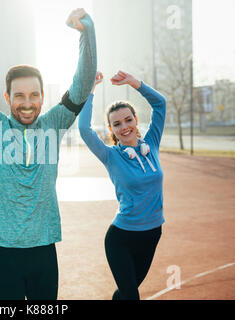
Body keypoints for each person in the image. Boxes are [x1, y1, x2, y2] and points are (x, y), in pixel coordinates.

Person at [0, 0, 97, 300]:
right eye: (19, 95)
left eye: (34, 95)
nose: (26, 102)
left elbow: (83, 84)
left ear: (42, 96)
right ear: (7, 96)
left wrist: (87, 32)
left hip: (43, 248)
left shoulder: (54, 124)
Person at [78, 70, 166, 300]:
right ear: (112, 130)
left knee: (125, 294)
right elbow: (84, 129)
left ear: (136, 120)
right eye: (117, 124)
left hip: (153, 234)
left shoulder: (152, 144)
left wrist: (135, 84)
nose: (124, 126)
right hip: (121, 239)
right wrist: (91, 90)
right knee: (131, 295)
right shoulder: (110, 156)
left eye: (128, 119)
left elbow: (160, 104)